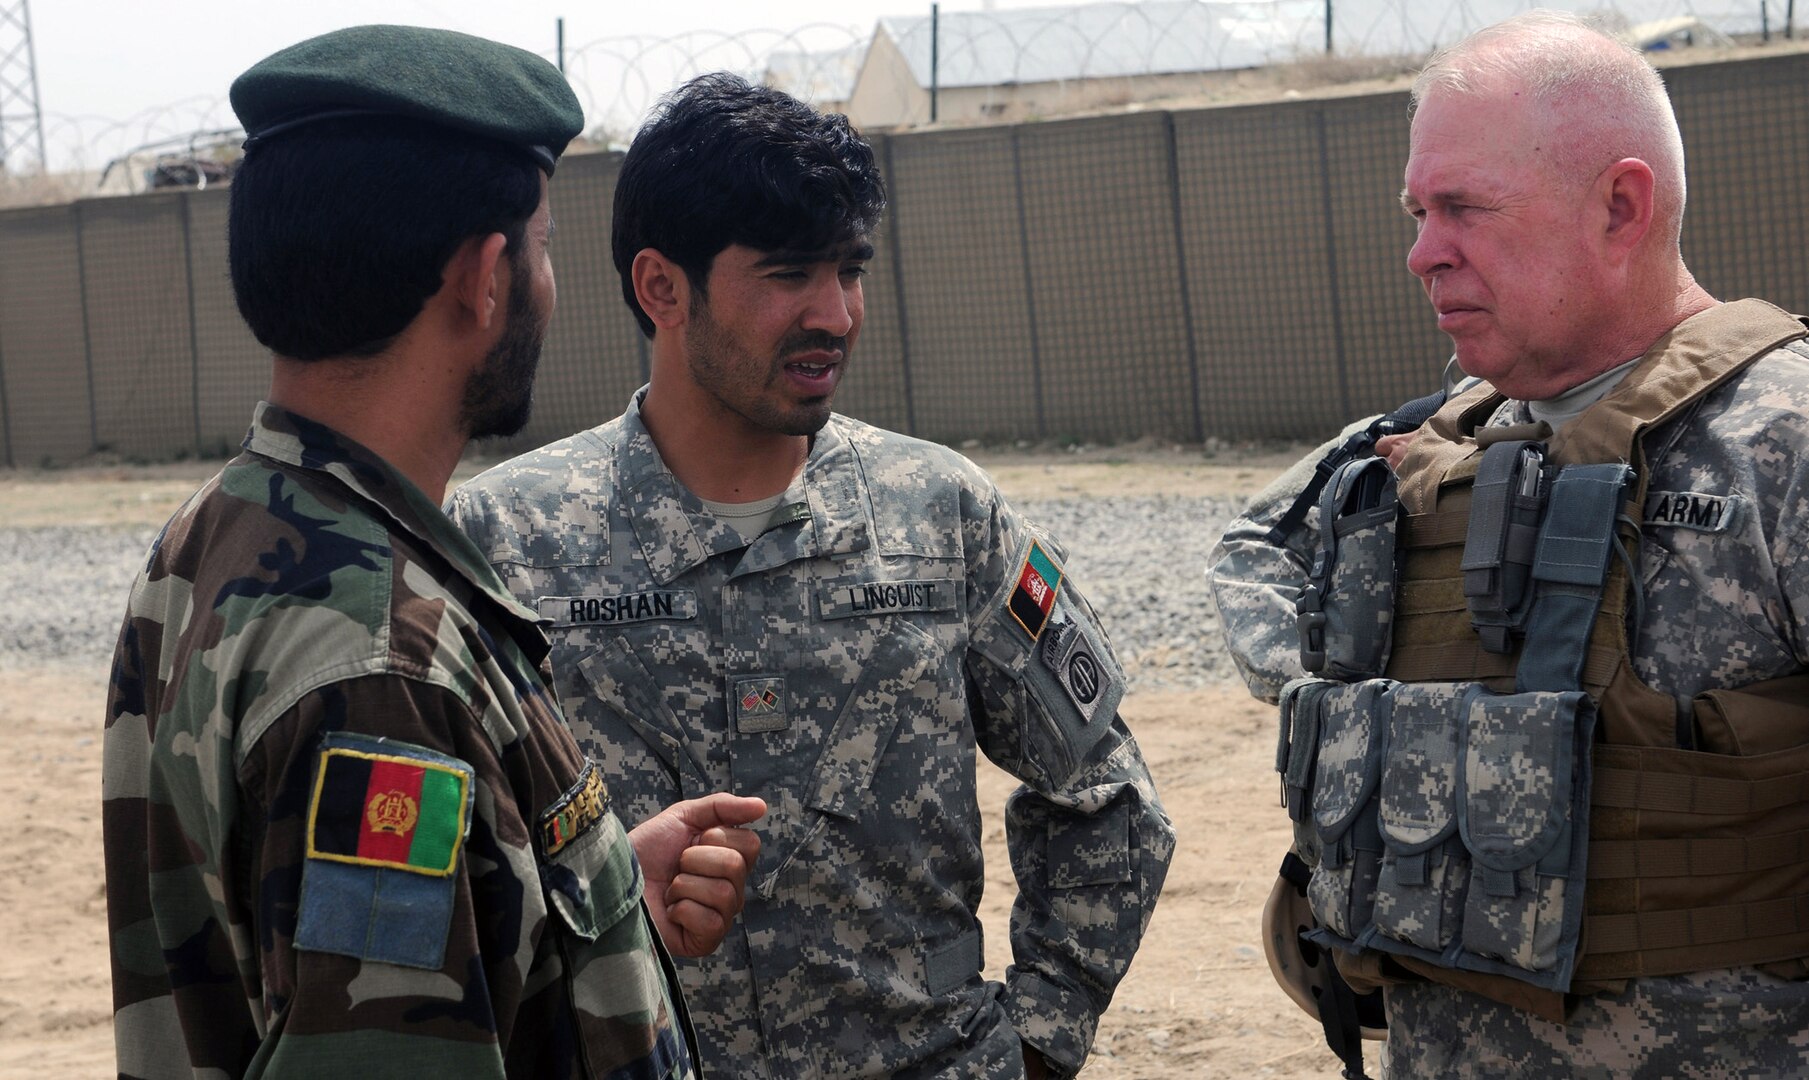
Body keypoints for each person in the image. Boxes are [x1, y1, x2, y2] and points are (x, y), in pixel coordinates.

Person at [448, 73, 1175, 1080]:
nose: (836, 314)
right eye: (790, 274)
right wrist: (602, 894)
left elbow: (1107, 797)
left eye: (851, 271)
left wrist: (1037, 1048)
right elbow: (445, 876)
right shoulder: (505, 541)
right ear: (662, 287)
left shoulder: (943, 514)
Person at [102, 26, 766, 1078]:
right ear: (483, 280)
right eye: (542, 249)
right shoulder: (381, 668)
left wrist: (588, 898)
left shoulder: (219, 533)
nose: (549, 283)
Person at [1207, 11, 1809, 1077]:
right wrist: (1339, 702)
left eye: (1463, 209)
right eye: (1417, 211)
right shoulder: (1432, 441)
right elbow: (1251, 549)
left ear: (1620, 207)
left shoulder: (1780, 444)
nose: (1421, 251)